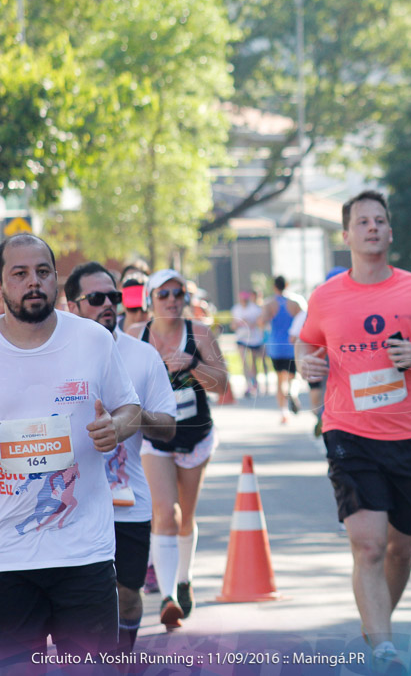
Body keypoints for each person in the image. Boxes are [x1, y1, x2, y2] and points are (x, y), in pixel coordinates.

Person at [296, 190, 411, 670]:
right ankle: (385, 647)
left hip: (407, 435)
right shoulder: (326, 297)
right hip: (348, 432)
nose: (372, 228)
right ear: (346, 234)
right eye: (362, 221)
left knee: (399, 549)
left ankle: (375, 626)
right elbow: (308, 349)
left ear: (390, 232)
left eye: (380, 221)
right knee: (367, 544)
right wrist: (308, 368)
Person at [0, 235, 141, 663]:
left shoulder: (92, 340)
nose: (33, 282)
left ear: (57, 279)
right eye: (19, 274)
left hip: (84, 552)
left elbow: (130, 408)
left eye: (43, 271)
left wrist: (114, 429)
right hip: (8, 557)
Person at [64, 261, 177, 654]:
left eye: (113, 297)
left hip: (128, 503)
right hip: (72, 504)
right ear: (72, 305)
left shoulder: (143, 356)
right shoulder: (56, 354)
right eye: (96, 299)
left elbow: (169, 428)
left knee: (128, 596)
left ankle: (122, 660)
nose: (108, 305)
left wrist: (130, 416)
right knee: (79, 604)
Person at [128, 268, 229, 630]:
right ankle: (169, 596)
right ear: (150, 300)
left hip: (196, 436)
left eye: (178, 294)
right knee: (164, 512)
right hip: (156, 438)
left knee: (186, 514)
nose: (172, 300)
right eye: (164, 294)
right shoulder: (135, 337)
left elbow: (222, 384)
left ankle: (183, 579)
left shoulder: (197, 333)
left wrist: (194, 365)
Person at [262, 276, 304, 423]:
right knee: (294, 376)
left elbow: (261, 322)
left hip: (275, 346)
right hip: (292, 345)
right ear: (287, 285)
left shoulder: (269, 303)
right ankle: (293, 392)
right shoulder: (296, 303)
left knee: (280, 379)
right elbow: (305, 320)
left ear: (274, 287)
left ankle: (284, 412)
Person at [231, 290, 265, 398]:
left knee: (253, 363)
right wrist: (237, 324)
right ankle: (248, 385)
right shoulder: (236, 309)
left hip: (254, 339)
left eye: (245, 300)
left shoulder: (255, 309)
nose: (243, 301)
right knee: (244, 362)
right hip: (241, 338)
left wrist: (251, 323)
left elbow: (261, 322)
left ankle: (255, 383)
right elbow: (233, 325)